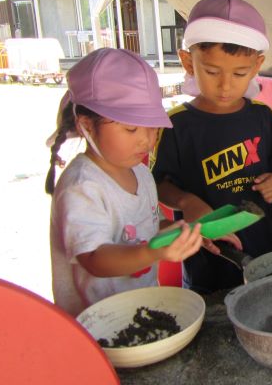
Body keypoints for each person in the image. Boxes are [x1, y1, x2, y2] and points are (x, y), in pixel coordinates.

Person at [46, 48, 217, 317]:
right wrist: (152, 252)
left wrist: (188, 233)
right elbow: (94, 259)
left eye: (152, 127)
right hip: (96, 323)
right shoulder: (81, 187)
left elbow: (151, 224)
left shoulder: (139, 171)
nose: (146, 140)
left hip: (140, 310)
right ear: (86, 126)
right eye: (131, 128)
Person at [151, 0, 272, 292]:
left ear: (257, 65)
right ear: (188, 62)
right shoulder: (175, 126)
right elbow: (158, 184)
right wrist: (185, 201)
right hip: (208, 261)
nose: (225, 85)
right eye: (212, 72)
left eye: (239, 73)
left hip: (267, 252)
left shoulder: (265, 118)